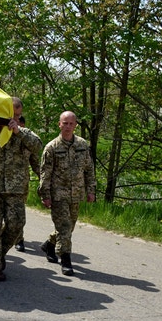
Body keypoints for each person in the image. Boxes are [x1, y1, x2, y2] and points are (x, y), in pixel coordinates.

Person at [0, 114, 43, 281]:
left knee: (17, 223)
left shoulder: (23, 132)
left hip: (15, 189)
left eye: (16, 114)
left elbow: (37, 146)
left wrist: (18, 131)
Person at [38, 110, 96, 276]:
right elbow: (45, 174)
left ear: (75, 125)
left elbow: (89, 170)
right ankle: (66, 260)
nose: (68, 127)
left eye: (71, 123)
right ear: (59, 124)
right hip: (58, 195)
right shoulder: (52, 148)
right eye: (65, 123)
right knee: (64, 227)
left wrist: (91, 190)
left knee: (69, 227)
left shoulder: (82, 145)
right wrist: (45, 195)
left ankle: (49, 245)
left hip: (76, 194)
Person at [10, 97, 41, 252]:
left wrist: (44, 179)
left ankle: (19, 238)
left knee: (18, 214)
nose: (17, 121)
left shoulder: (26, 137)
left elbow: (35, 159)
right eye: (15, 116)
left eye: (19, 118)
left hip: (20, 184)